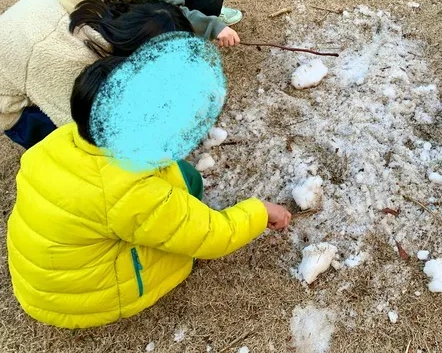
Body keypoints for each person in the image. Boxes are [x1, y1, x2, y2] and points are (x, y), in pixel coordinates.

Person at [7, 54, 292, 329]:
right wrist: (259, 211)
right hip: (81, 297)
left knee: (184, 176)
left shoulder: (61, 140)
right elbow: (212, 235)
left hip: (51, 277)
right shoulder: (130, 192)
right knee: (182, 232)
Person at [0, 0, 193, 149]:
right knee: (78, 145)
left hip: (31, 47)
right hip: (15, 102)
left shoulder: (140, 12)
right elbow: (81, 125)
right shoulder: (67, 58)